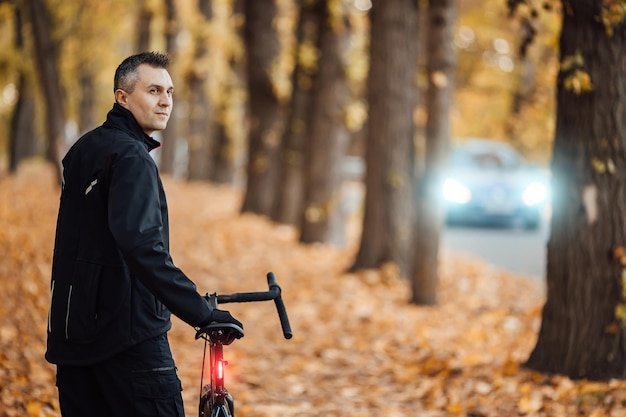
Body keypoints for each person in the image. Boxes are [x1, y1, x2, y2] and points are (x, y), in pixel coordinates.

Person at [46, 51, 242, 416]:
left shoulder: (85, 148)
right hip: (129, 342)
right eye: (153, 91)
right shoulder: (132, 157)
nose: (165, 101)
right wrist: (202, 313)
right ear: (122, 96)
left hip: (74, 338)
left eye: (169, 92)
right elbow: (142, 247)